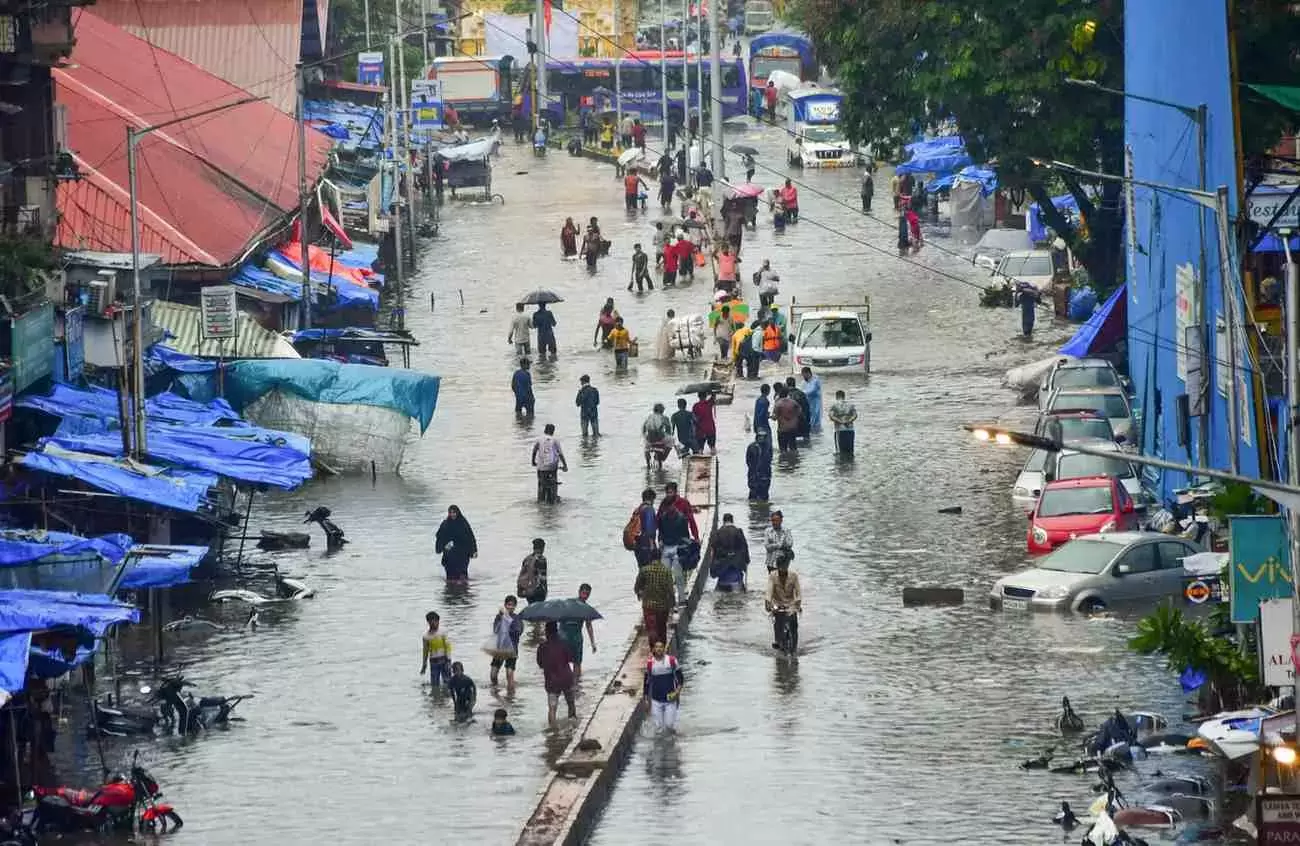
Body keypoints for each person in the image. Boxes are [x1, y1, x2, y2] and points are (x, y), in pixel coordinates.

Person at [657, 481, 700, 604]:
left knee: (679, 572)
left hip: (679, 545)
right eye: (667, 492)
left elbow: (691, 522)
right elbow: (659, 525)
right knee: (666, 574)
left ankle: (681, 597)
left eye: (671, 492)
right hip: (667, 545)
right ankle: (668, 599)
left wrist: (695, 538)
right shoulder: (663, 507)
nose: (669, 494)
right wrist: (659, 540)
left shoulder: (683, 506)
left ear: (675, 492)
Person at [537, 622, 578, 728]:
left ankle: (553, 733)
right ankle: (572, 727)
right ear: (557, 631)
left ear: (546, 632)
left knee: (552, 708)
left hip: (551, 681)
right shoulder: (564, 644)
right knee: (570, 703)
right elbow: (571, 659)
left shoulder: (542, 646)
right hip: (566, 679)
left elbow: (540, 664)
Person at [765, 551, 802, 653]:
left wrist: (797, 604)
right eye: (781, 568)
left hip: (791, 604)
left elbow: (798, 593)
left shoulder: (793, 576)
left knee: (794, 626)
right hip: (778, 604)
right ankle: (778, 641)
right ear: (778, 567)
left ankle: (794, 647)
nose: (783, 571)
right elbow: (769, 591)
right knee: (778, 622)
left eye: (785, 567)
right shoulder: (772, 576)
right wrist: (768, 602)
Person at [643, 641, 684, 731]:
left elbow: (680, 679)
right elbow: (646, 683)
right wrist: (646, 700)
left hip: (670, 700)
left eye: (661, 647)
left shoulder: (671, 661)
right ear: (653, 649)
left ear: (664, 649)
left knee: (669, 726)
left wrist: (677, 692)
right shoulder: (650, 664)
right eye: (656, 647)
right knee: (658, 728)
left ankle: (672, 741)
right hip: (656, 700)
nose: (659, 649)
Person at [634, 559, 676, 645]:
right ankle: (662, 648)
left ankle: (654, 649)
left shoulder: (644, 570)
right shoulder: (666, 571)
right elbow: (670, 589)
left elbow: (637, 586)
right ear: (660, 558)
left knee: (652, 628)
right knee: (662, 628)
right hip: (663, 606)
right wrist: (672, 602)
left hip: (648, 606)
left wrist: (639, 593)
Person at [561, 583, 598, 680]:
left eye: (587, 594)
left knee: (577, 662)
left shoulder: (586, 608)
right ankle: (569, 682)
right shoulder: (568, 603)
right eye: (584, 593)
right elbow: (559, 617)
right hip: (565, 635)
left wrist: (593, 643)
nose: (585, 596)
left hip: (577, 637)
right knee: (564, 662)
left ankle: (576, 683)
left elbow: (589, 626)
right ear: (579, 592)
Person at [705, 512, 750, 591]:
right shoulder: (738, 531)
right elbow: (745, 548)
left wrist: (712, 567)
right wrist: (746, 561)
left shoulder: (717, 533)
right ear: (732, 521)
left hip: (722, 570)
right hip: (736, 570)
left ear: (723, 521)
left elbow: (713, 551)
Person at [435, 505, 478, 583]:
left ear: (458, 513)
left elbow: (470, 537)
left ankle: (463, 592)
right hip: (449, 555)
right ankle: (450, 593)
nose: (452, 514)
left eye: (454, 512)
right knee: (450, 579)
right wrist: (442, 547)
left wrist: (474, 550)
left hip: (462, 554)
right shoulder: (445, 524)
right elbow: (439, 536)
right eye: (450, 513)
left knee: (463, 578)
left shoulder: (463, 523)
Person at [488, 596, 523, 690]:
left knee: (509, 674)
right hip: (500, 649)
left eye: (512, 605)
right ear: (505, 605)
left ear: (515, 606)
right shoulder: (499, 617)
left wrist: (507, 621)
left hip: (512, 650)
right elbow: (495, 630)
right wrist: (501, 618)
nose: (510, 607)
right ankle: (495, 691)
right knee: (493, 675)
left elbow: (518, 631)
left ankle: (511, 696)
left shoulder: (517, 618)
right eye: (508, 605)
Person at [532, 423, 568, 503]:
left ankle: (540, 500)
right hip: (552, 467)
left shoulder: (539, 439)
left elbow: (534, 451)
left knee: (541, 484)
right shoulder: (555, 440)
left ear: (545, 430)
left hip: (541, 467)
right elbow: (560, 454)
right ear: (553, 431)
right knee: (553, 483)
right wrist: (565, 465)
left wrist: (533, 462)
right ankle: (553, 497)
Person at [420, 611, 452, 688]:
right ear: (428, 622)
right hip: (433, 661)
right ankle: (436, 697)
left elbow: (448, 646)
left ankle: (447, 697)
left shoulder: (443, 632)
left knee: (448, 681)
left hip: (444, 659)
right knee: (434, 684)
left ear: (438, 621)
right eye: (431, 621)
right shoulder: (426, 636)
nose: (433, 623)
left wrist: (448, 660)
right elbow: (425, 651)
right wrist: (424, 664)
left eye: (435, 621)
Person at [629, 487, 659, 567]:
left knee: (642, 571)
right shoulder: (649, 509)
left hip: (637, 545)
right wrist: (652, 545)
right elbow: (649, 529)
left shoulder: (637, 510)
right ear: (652, 499)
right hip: (647, 545)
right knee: (652, 570)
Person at [517, 537, 549, 605]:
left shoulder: (527, 558)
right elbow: (542, 577)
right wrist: (545, 591)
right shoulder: (542, 559)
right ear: (542, 548)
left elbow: (523, 573)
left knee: (531, 608)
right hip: (538, 591)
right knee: (538, 611)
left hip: (528, 590)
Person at [642, 402, 674, 467]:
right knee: (672, 440)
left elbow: (644, 428)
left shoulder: (649, 417)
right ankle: (663, 458)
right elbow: (668, 429)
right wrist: (668, 434)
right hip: (660, 438)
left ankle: (647, 462)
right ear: (662, 410)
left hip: (650, 439)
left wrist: (645, 436)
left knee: (646, 446)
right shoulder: (664, 417)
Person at [746, 429, 773, 501]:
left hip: (765, 474)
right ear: (757, 437)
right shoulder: (751, 447)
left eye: (764, 437)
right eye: (760, 437)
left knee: (764, 496)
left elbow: (770, 459)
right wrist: (753, 470)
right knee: (753, 495)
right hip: (753, 474)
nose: (762, 439)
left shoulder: (768, 447)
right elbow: (748, 461)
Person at [772, 386, 801, 453]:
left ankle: (784, 462)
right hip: (793, 428)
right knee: (793, 449)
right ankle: (794, 461)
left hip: (782, 429)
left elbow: (774, 417)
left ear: (779, 394)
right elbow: (799, 413)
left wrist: (770, 416)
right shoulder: (793, 402)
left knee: (783, 450)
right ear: (787, 394)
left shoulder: (778, 404)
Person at [829, 389, 858, 456]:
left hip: (840, 430)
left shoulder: (834, 405)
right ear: (844, 396)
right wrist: (848, 421)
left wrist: (841, 422)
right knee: (850, 452)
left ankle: (842, 466)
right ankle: (850, 465)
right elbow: (855, 415)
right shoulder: (851, 405)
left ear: (836, 397)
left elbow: (831, 416)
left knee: (840, 453)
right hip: (850, 430)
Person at [784, 376, 811, 442]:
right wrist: (808, 421)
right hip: (802, 422)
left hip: (790, 424)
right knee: (806, 441)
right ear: (795, 384)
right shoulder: (801, 394)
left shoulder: (785, 395)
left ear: (787, 384)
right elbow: (807, 409)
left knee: (791, 444)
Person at [800, 366, 823, 434]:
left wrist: (802, 393)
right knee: (809, 419)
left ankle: (816, 435)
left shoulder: (816, 380)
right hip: (807, 403)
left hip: (815, 403)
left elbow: (812, 391)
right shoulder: (803, 382)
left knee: (815, 419)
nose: (803, 376)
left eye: (804, 375)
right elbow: (801, 390)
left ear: (808, 373)